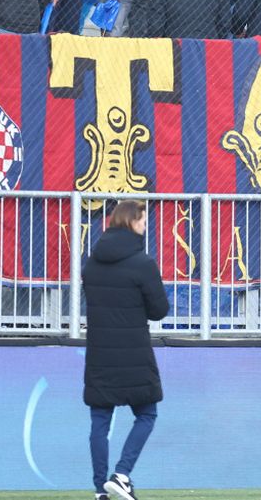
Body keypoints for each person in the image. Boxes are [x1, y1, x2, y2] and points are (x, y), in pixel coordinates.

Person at [82, 199, 168, 500]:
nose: (145, 226)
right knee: (147, 413)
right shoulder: (143, 264)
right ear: (132, 222)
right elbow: (159, 310)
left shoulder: (91, 264)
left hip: (99, 353)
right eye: (142, 220)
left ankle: (99, 490)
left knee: (99, 422)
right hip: (134, 352)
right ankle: (121, 474)